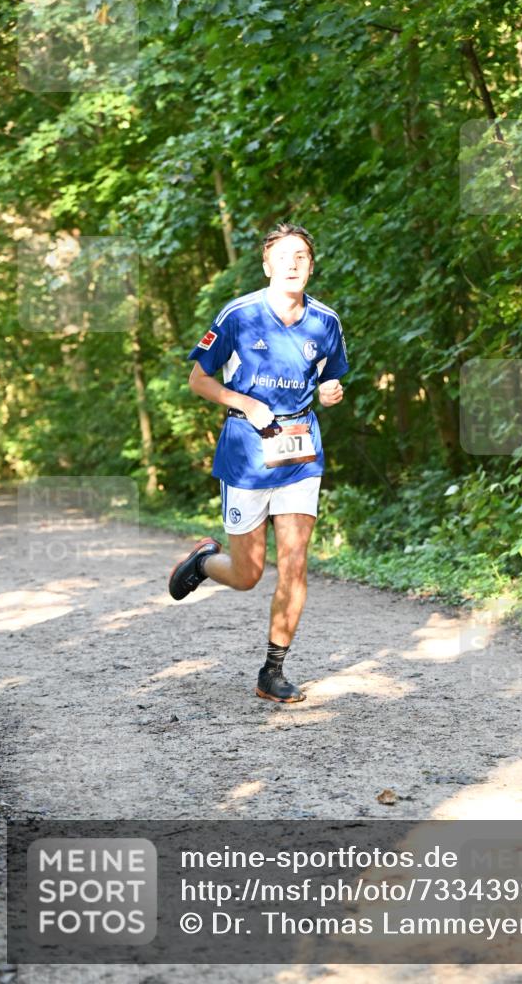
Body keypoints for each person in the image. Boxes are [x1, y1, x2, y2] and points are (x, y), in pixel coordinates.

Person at [168, 223, 348, 704]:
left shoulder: (326, 321)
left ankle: (273, 670)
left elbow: (329, 382)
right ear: (267, 266)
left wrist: (331, 394)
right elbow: (198, 379)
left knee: (295, 564)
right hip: (247, 451)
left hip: (300, 450)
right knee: (249, 574)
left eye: (302, 256)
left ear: (311, 265)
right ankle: (206, 563)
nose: (293, 263)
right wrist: (245, 403)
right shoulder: (239, 315)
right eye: (284, 256)